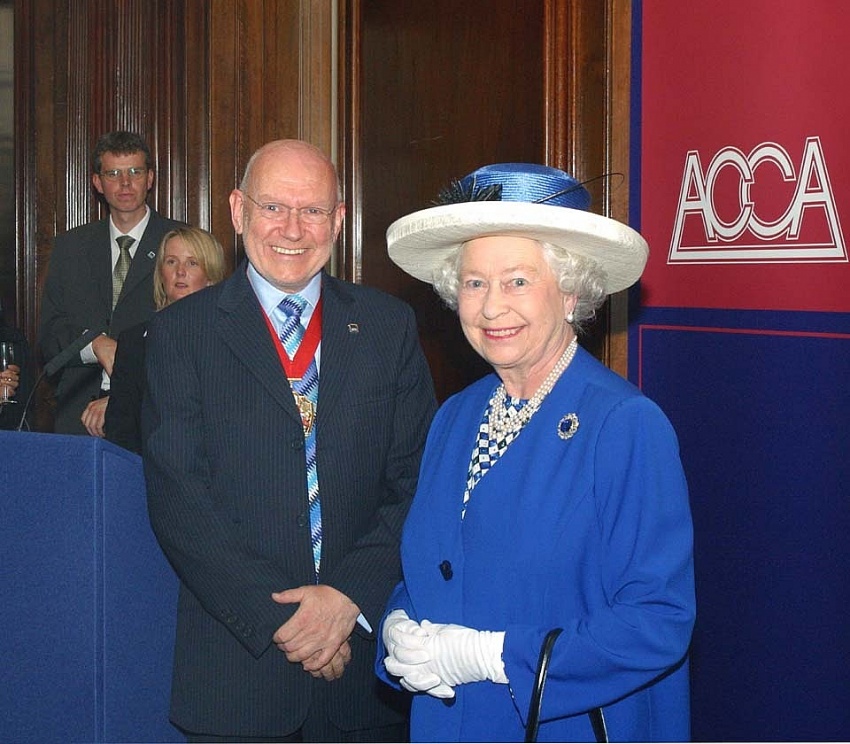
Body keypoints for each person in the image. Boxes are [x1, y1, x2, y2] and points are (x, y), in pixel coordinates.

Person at [377, 163, 696, 742]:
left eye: (517, 281)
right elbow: (439, 563)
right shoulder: (455, 416)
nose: (491, 308)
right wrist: (398, 623)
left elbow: (659, 622)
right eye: (474, 283)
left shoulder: (623, 425)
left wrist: (495, 657)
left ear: (571, 291)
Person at [142, 139, 438, 742]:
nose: (293, 229)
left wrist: (345, 602)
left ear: (339, 219)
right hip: (238, 673)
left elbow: (416, 483)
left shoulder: (388, 326)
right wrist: (293, 625)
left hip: (365, 679)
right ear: (237, 211)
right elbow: (181, 502)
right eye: (273, 207)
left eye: (312, 210)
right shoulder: (180, 335)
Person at [38, 130, 185, 435]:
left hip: (155, 418)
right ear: (97, 183)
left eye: (135, 171)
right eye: (114, 173)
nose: (125, 183)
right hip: (76, 419)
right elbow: (50, 336)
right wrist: (95, 345)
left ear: (150, 179)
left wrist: (124, 394)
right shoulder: (71, 247)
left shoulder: (180, 244)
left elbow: (191, 337)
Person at [103, 227, 227, 454]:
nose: (180, 271)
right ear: (161, 273)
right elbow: (120, 431)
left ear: (210, 275)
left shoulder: (229, 337)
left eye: (192, 263)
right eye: (171, 262)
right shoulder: (134, 341)